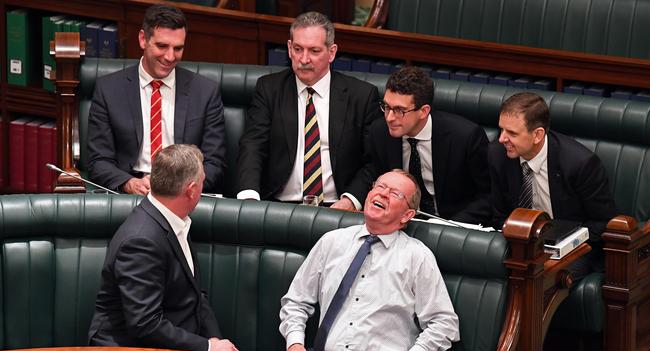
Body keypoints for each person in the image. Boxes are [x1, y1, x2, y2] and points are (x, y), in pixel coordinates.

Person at [280, 170, 459, 351]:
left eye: (395, 193)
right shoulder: (332, 242)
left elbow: (443, 325)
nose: (382, 194)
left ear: (407, 215)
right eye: (380, 186)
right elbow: (296, 301)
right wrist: (295, 343)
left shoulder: (417, 256)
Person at [88, 144, 239, 351]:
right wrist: (208, 348)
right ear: (192, 190)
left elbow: (196, 296)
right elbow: (144, 323)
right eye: (203, 182)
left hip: (167, 349)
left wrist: (215, 339)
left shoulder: (173, 218)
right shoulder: (141, 241)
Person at [237, 11, 383, 209]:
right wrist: (249, 198)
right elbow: (253, 145)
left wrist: (351, 200)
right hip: (278, 206)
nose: (304, 59)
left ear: (331, 52)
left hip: (337, 207)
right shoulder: (269, 89)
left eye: (314, 51)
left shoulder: (362, 96)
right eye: (298, 49)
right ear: (289, 49)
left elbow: (374, 160)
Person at [87, 4, 226, 195]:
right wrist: (128, 183)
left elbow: (214, 164)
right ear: (143, 39)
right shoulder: (109, 90)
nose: (170, 57)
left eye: (178, 48)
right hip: (131, 194)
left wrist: (176, 187)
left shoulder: (205, 92)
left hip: (183, 194)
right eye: (162, 46)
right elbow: (98, 161)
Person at [488, 92, 617, 277]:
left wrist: (564, 243)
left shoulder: (580, 164)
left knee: (538, 279)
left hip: (573, 250)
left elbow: (603, 222)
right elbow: (499, 215)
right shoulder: (497, 155)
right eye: (501, 130)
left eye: (512, 133)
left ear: (538, 135)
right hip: (521, 243)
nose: (501, 139)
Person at [369, 66, 490, 224]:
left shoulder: (465, 137)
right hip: (399, 223)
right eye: (386, 107)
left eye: (399, 110)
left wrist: (448, 227)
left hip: (452, 224)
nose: (390, 117)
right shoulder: (379, 132)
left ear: (424, 111)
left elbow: (488, 197)